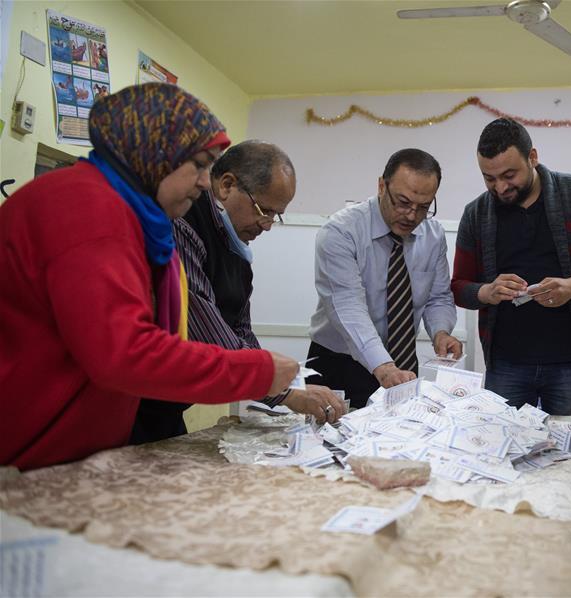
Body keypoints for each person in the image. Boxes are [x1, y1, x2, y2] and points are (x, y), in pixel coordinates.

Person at [0, 83, 299, 470]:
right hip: (25, 447)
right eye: (199, 164)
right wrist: (257, 372)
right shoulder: (86, 206)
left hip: (72, 446)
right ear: (156, 151)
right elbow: (124, 352)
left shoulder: (139, 221)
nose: (206, 182)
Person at [131, 141, 346, 444]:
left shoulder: (237, 251)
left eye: (276, 215)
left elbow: (241, 333)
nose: (268, 225)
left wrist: (289, 381)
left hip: (168, 406)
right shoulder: (184, 223)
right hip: (132, 406)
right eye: (265, 210)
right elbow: (207, 329)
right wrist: (285, 391)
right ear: (226, 185)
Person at [451, 118, 571, 415]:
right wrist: (487, 291)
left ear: (532, 157)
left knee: (570, 452)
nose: (500, 187)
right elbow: (459, 287)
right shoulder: (475, 214)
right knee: (502, 451)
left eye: (509, 175)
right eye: (489, 178)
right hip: (505, 363)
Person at [305, 148, 462, 409]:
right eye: (402, 202)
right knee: (333, 442)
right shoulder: (341, 232)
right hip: (341, 361)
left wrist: (441, 332)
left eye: (423, 207)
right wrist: (384, 367)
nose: (412, 215)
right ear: (381, 186)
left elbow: (438, 297)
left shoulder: (433, 236)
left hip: (401, 363)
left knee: (403, 438)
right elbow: (348, 307)